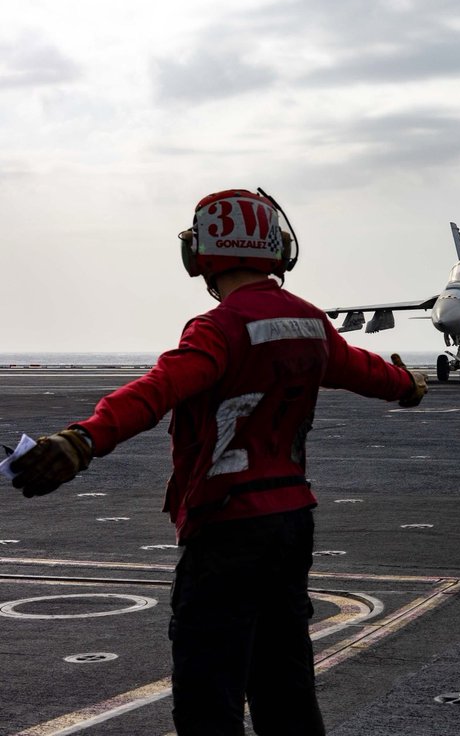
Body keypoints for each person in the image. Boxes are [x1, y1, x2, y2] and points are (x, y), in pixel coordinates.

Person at [9, 189, 427, 736]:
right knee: (287, 691)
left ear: (201, 254)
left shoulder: (217, 328)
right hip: (291, 522)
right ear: (275, 247)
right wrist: (409, 386)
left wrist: (83, 439)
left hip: (227, 528)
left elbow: (156, 391)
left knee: (209, 698)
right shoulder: (311, 323)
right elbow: (365, 370)